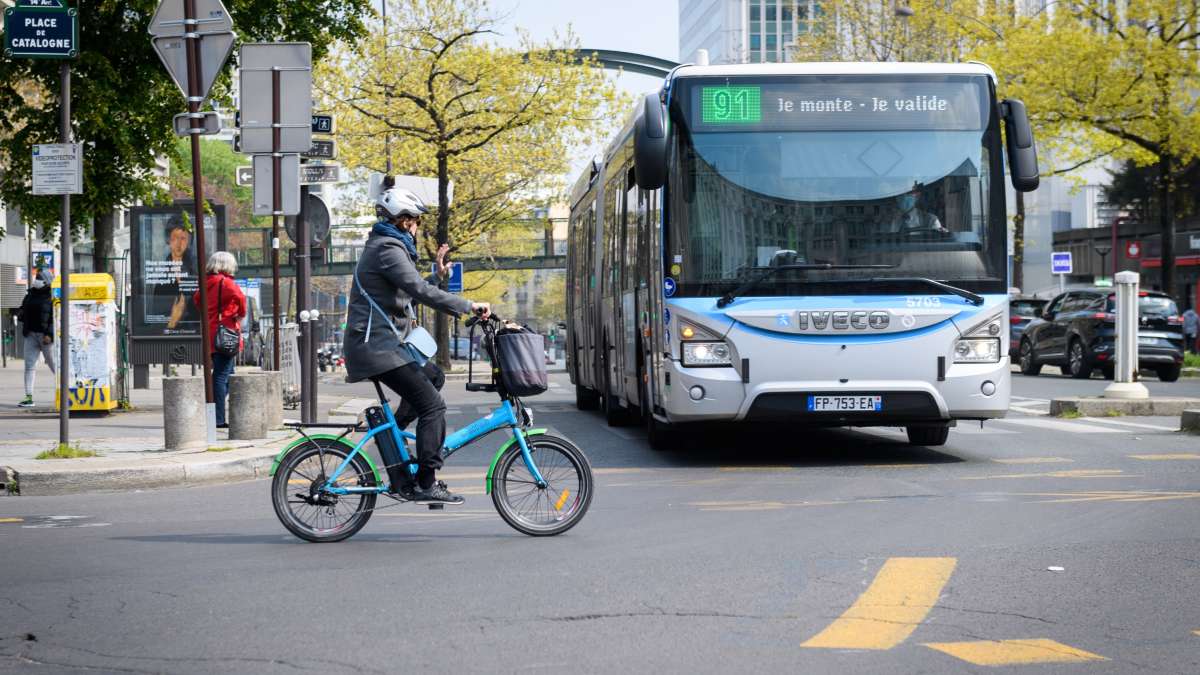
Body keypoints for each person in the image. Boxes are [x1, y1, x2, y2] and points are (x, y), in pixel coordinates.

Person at [343, 185, 490, 504]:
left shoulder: (387, 247)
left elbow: (411, 289)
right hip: (377, 348)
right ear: (402, 220)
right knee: (433, 406)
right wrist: (468, 305)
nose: (417, 227)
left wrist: (437, 278)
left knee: (434, 377)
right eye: (415, 221)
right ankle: (425, 481)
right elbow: (417, 290)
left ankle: (392, 442)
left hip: (383, 345)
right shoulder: (387, 249)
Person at [193, 251, 246, 429]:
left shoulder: (205, 282)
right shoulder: (226, 282)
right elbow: (241, 299)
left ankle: (212, 408)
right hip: (226, 334)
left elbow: (197, 300)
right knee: (222, 376)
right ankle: (217, 418)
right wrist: (239, 315)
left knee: (228, 374)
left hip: (211, 332)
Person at [18, 270, 56, 408]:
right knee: (29, 366)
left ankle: (65, 392)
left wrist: (50, 334)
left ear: (47, 281)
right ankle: (28, 397)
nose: (36, 279)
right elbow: (22, 309)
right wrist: (21, 313)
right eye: (36, 277)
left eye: (40, 278)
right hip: (31, 335)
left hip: (46, 337)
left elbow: (56, 316)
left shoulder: (53, 296)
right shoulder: (30, 294)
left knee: (55, 366)